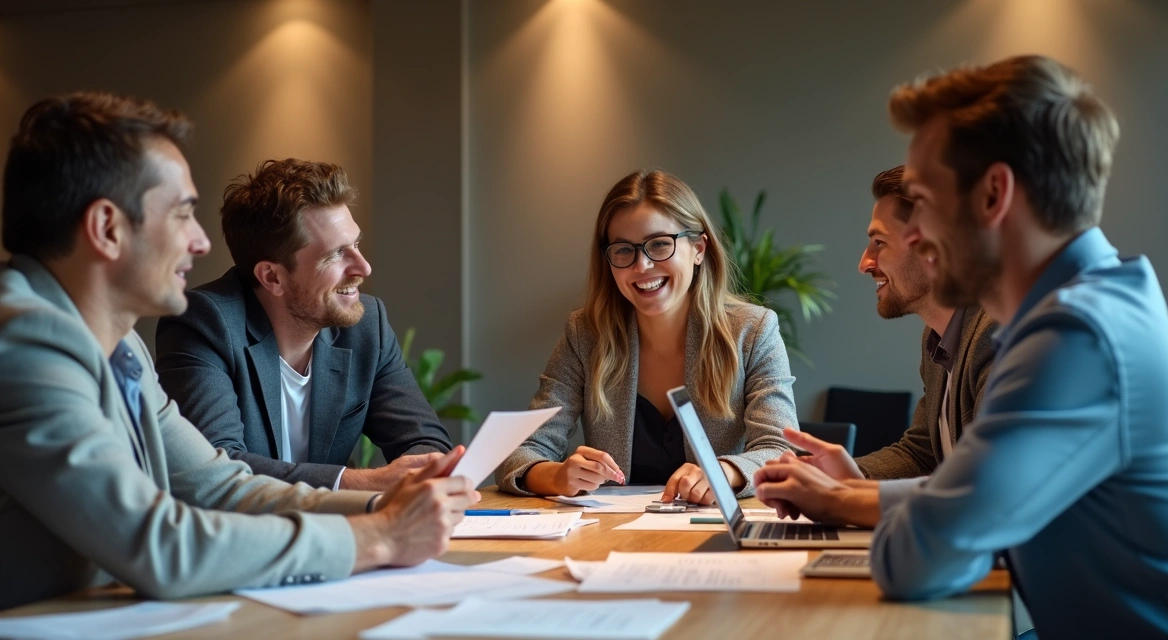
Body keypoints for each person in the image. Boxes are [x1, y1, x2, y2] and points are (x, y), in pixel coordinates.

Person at [755, 55, 1168, 638]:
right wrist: (869, 496)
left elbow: (919, 559)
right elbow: (959, 507)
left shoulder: (1076, 340)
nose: (913, 235)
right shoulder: (1087, 313)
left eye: (924, 202)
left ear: (994, 194)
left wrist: (852, 498)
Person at [0, 91, 478, 610]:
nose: (201, 242)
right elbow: (162, 545)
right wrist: (379, 536)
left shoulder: (120, 345)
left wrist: (383, 506)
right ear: (107, 228)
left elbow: (220, 487)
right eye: (182, 214)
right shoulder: (24, 344)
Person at [496, 169, 796, 504]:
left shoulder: (753, 330)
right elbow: (521, 453)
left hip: (713, 526)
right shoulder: (585, 335)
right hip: (608, 531)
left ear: (698, 249)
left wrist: (725, 472)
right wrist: (556, 475)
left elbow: (780, 450)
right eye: (624, 250)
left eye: (660, 244)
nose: (641, 265)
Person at [155, 159, 453, 491]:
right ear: (272, 277)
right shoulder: (204, 324)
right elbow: (217, 468)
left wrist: (417, 472)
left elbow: (425, 441)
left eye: (355, 244)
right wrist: (359, 482)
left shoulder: (366, 325)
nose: (363, 267)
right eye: (336, 255)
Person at [778, 166, 998, 526]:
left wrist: (841, 499)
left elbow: (987, 486)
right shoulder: (936, 339)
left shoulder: (995, 332)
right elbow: (922, 454)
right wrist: (843, 477)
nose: (864, 263)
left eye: (879, 243)